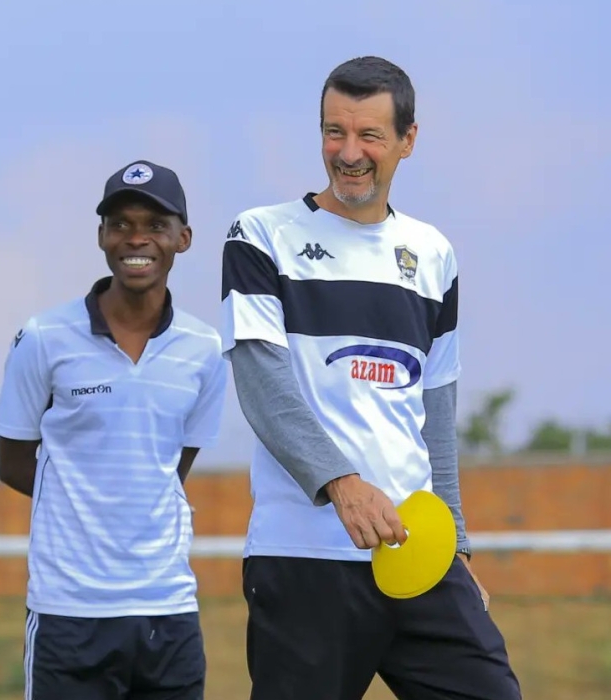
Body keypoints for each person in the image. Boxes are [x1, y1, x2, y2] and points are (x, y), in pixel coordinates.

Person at [219, 56, 522, 699]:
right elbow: (262, 382)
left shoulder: (433, 254)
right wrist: (342, 485)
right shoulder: (261, 235)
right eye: (335, 132)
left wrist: (456, 545)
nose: (348, 153)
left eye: (369, 136)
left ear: (407, 140)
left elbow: (436, 411)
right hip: (303, 560)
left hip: (417, 555)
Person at [0, 160, 228, 700]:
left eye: (155, 225)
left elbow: (169, 468)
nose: (136, 239)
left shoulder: (205, 350)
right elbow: (13, 462)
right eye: (120, 224)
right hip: (69, 612)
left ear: (183, 238)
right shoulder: (44, 337)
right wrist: (88, 501)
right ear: (101, 236)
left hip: (167, 610)